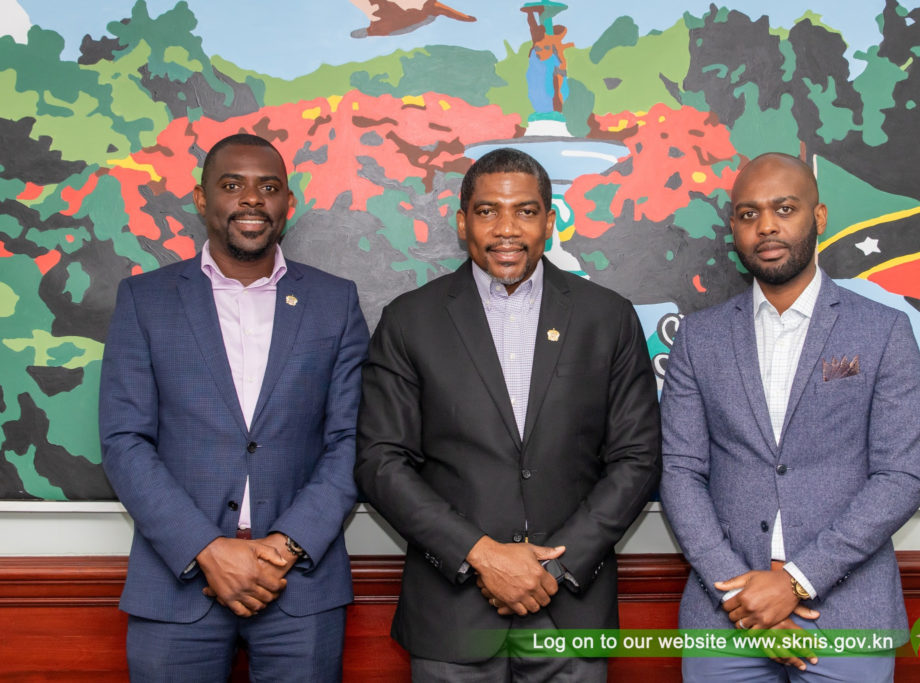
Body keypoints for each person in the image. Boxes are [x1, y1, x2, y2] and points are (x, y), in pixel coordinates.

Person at [355, 147, 660, 681]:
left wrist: (555, 567)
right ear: (461, 221)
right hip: (452, 615)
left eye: (524, 210)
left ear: (548, 219)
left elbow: (636, 459)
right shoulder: (409, 321)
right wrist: (482, 556)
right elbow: (382, 462)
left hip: (570, 608)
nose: (506, 229)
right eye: (487, 210)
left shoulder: (607, 317)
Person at [99, 133, 369, 681]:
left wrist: (285, 546)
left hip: (301, 585)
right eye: (232, 185)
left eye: (269, 187)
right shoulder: (145, 299)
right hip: (176, 583)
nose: (252, 199)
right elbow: (124, 441)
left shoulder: (334, 301)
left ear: (287, 205)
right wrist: (206, 549)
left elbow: (353, 439)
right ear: (202, 199)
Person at [660, 152, 920, 681]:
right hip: (726, 617)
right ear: (734, 227)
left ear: (819, 217)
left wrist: (795, 582)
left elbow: (901, 476)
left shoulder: (883, 331)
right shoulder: (699, 337)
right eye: (747, 213)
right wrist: (740, 590)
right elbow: (679, 471)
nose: (766, 226)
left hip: (850, 612)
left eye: (784, 208)